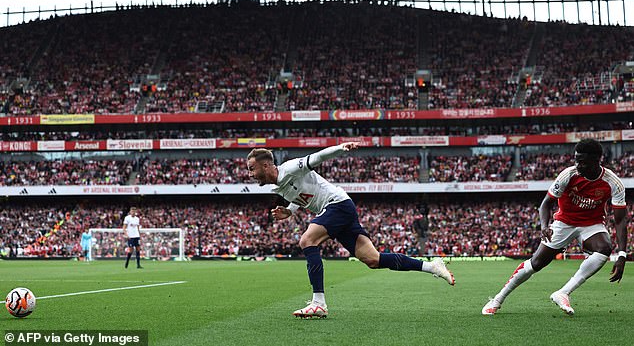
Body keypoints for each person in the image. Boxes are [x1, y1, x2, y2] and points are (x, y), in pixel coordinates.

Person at [247, 142, 454, 319]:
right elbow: (300, 195)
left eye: (252, 169)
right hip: (339, 210)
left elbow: (317, 157)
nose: (251, 174)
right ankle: (431, 266)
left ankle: (318, 302)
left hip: (337, 205)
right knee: (373, 259)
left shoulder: (290, 168)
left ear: (266, 165)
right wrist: (290, 211)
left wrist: (341, 148)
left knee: (307, 240)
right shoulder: (278, 185)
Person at [482, 139, 627, 316]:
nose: (578, 165)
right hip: (564, 222)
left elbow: (620, 221)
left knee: (604, 248)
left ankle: (563, 292)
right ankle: (497, 299)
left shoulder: (613, 182)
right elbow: (545, 204)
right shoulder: (568, 174)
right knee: (536, 263)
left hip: (591, 224)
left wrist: (622, 255)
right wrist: (544, 226)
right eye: (576, 160)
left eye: (582, 161)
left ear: (597, 160)